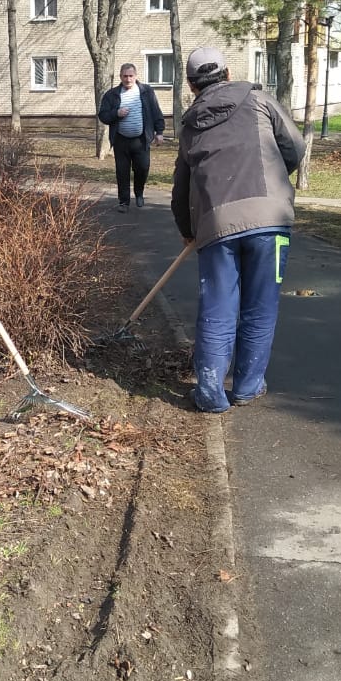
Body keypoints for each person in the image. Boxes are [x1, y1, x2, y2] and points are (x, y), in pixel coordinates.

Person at [171, 45, 304, 413]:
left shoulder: (188, 125)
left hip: (216, 225)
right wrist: (276, 181)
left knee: (217, 307)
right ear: (228, 74)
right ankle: (247, 387)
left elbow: (181, 187)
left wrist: (186, 227)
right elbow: (294, 145)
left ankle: (211, 394)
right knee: (261, 306)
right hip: (271, 220)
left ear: (191, 85)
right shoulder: (260, 100)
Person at [97, 63, 165, 211]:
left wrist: (159, 132)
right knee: (122, 171)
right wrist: (116, 113)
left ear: (136, 76)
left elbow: (156, 112)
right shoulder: (112, 94)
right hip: (121, 140)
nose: (128, 79)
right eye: (125, 76)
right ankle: (124, 202)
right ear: (120, 76)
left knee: (142, 168)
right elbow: (103, 115)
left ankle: (139, 192)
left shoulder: (146, 91)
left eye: (131, 76)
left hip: (141, 140)